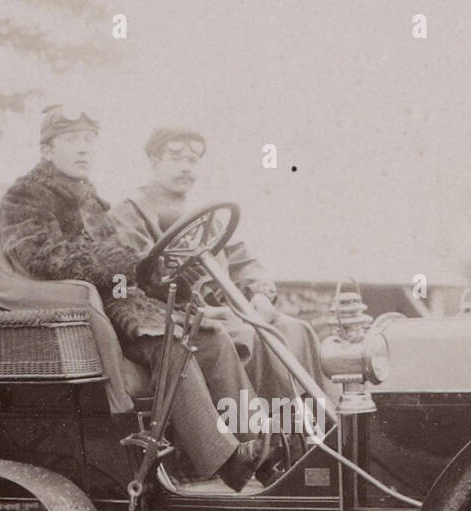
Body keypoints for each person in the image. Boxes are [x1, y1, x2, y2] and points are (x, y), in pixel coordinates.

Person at [0, 105, 269, 491]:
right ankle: (222, 460)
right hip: (79, 312)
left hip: (121, 300)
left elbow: (125, 259)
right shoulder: (25, 197)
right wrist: (120, 267)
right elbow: (43, 258)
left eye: (89, 141)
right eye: (71, 140)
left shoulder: (90, 199)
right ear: (46, 150)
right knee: (170, 343)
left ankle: (261, 448)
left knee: (212, 340)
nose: (83, 149)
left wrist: (151, 270)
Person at [109, 127, 329, 409]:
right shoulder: (130, 212)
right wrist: (204, 311)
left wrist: (260, 293)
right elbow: (135, 282)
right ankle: (269, 439)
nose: (187, 168)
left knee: (297, 329)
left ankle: (314, 429)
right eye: (176, 158)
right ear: (154, 162)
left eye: (193, 160)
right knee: (253, 338)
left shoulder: (206, 213)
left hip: (229, 310)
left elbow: (244, 261)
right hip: (178, 317)